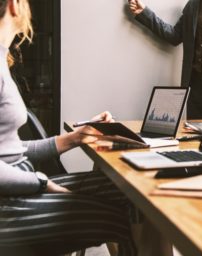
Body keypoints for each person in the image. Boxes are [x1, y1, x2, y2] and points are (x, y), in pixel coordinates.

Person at [0, 0, 136, 255]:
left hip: (18, 190)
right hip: (9, 206)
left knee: (132, 191)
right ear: (14, 5)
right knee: (124, 213)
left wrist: (75, 138)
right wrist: (41, 183)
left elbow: (8, 151)